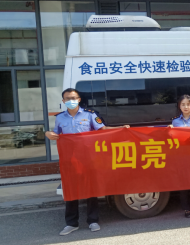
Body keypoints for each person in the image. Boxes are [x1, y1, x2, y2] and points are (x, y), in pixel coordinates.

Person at [46, 88, 130, 236]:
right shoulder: (60, 118)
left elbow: (102, 129)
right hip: (70, 160)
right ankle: (71, 223)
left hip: (89, 159)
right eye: (67, 98)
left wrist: (120, 129)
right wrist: (48, 133)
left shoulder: (90, 115)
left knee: (91, 189)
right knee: (71, 190)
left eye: (73, 98)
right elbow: (56, 134)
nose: (71, 101)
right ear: (63, 101)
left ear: (79, 99)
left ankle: (93, 220)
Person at [169, 95, 190, 218]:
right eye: (183, 104)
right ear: (179, 106)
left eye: (188, 104)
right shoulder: (175, 122)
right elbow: (172, 138)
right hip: (182, 156)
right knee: (183, 183)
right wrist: (169, 131)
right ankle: (186, 209)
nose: (185, 107)